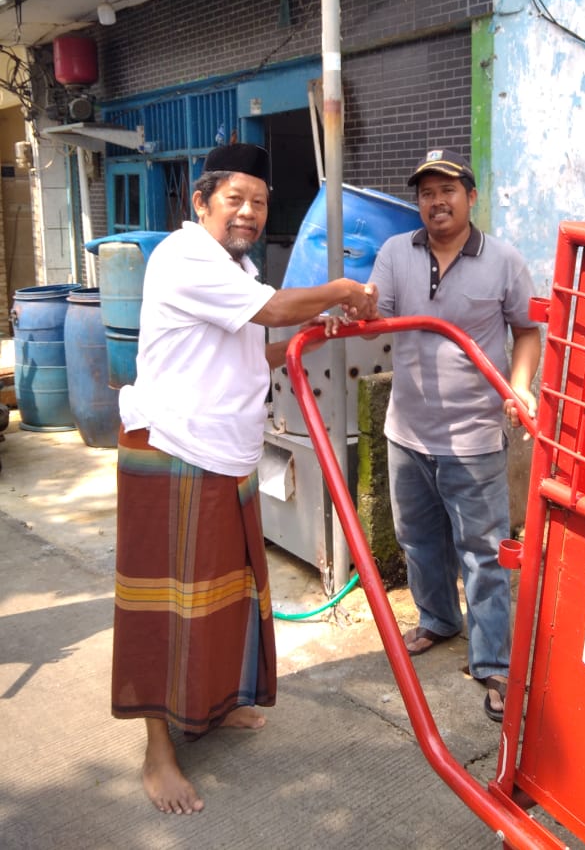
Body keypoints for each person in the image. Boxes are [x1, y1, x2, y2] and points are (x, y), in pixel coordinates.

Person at [111, 143, 378, 815]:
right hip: (172, 449)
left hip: (224, 453)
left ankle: (216, 702)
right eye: (235, 200)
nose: (249, 213)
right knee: (164, 606)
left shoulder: (237, 267)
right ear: (199, 202)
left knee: (229, 594)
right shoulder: (184, 258)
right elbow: (267, 313)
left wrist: (319, 323)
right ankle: (158, 751)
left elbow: (249, 341)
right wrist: (342, 291)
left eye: (259, 202)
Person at [368, 149, 541, 722]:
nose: (436, 202)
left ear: (470, 197)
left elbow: (527, 332)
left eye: (448, 190)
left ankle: (494, 663)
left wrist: (518, 388)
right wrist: (350, 305)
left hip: (473, 437)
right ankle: (440, 620)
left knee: (485, 555)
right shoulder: (396, 251)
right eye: (426, 193)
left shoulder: (504, 260)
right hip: (407, 431)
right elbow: (378, 313)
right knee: (416, 540)